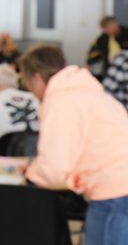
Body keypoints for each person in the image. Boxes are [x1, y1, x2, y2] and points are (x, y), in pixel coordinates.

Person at [19, 45, 128, 244]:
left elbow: (54, 168)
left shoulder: (61, 100)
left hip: (113, 193)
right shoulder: (93, 94)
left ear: (36, 78)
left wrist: (30, 174)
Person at [87, 16, 128, 80]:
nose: (105, 31)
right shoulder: (103, 38)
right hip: (109, 71)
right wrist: (89, 63)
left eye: (107, 28)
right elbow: (94, 51)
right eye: (104, 29)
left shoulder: (126, 34)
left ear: (115, 25)